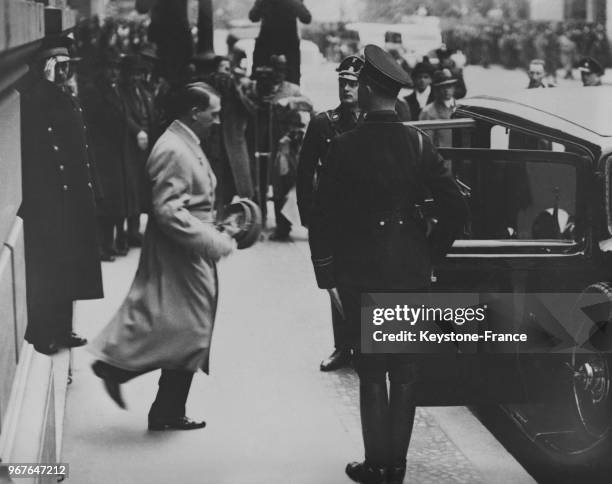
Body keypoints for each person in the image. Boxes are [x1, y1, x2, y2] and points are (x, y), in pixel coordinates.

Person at [309, 44, 466, 484]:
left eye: (357, 84)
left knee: (372, 370)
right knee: (406, 372)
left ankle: (375, 464)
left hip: (361, 271)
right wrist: (431, 255)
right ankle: (396, 467)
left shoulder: (342, 147)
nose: (352, 91)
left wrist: (327, 274)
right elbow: (456, 208)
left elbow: (322, 216)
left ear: (368, 89)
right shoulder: (419, 143)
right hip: (409, 270)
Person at [90, 84, 237, 431]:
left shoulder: (182, 141)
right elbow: (169, 211)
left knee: (178, 323)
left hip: (186, 248)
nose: (216, 120)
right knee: (192, 328)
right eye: (213, 114)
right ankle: (148, 395)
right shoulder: (174, 148)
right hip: (182, 250)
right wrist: (214, 241)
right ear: (194, 113)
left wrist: (219, 226)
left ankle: (157, 401)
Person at [19, 38, 103, 355]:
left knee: (70, 265)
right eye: (60, 67)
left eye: (68, 67)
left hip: (73, 197)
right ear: (47, 69)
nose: (67, 73)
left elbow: (83, 147)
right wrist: (47, 81)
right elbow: (39, 125)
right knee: (49, 268)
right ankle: (44, 333)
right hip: (49, 199)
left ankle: (63, 328)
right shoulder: (36, 98)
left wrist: (95, 190)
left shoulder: (67, 97)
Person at [297, 54, 363, 371]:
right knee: (336, 281)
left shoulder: (375, 123)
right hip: (335, 219)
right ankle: (343, 346)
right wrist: (308, 216)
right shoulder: (324, 123)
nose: (346, 89)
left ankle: (367, 345)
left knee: (368, 281)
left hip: (367, 218)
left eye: (352, 83)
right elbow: (304, 170)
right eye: (342, 82)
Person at [81, 55, 135, 262]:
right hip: (101, 153)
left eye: (115, 69)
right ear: (100, 70)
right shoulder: (93, 92)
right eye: (109, 68)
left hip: (116, 152)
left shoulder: (113, 90)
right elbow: (92, 122)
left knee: (115, 202)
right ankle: (101, 247)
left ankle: (109, 244)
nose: (113, 72)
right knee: (104, 203)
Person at [249, 0, 312, 85]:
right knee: (293, 77)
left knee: (259, 74)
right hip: (289, 44)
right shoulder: (293, 1)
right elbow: (306, 18)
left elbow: (253, 17)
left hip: (267, 42)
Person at [419, 68, 458, 147]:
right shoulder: (428, 112)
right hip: (442, 156)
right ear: (436, 90)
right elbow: (427, 144)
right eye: (443, 87)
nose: (446, 90)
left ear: (454, 88)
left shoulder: (462, 108)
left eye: (449, 86)